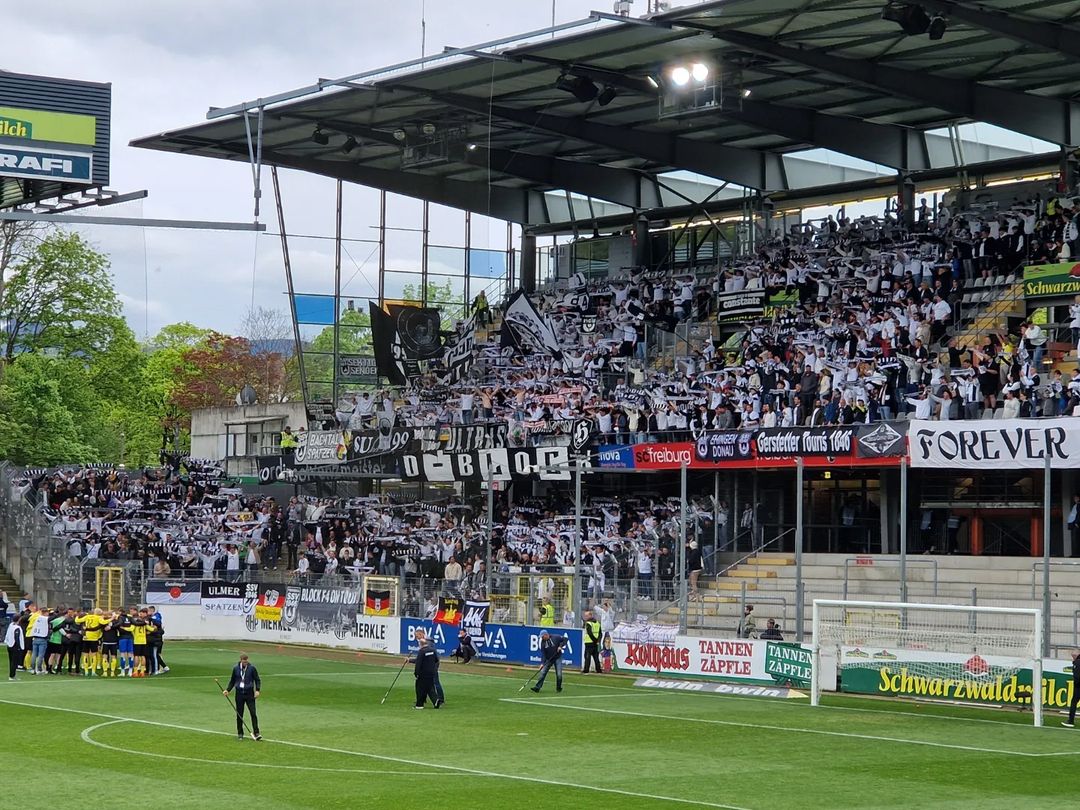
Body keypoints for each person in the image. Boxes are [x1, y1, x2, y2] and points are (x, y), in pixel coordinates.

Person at [224, 653, 262, 740]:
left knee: (253, 713)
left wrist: (257, 690)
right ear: (241, 660)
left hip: (249, 694)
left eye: (246, 661)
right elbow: (232, 681)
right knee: (239, 714)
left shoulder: (252, 668)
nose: (245, 663)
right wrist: (227, 690)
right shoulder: (236, 669)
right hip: (239, 694)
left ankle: (256, 732)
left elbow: (257, 679)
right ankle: (240, 733)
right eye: (244, 662)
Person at [409, 630, 442, 709]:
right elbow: (436, 659)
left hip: (424, 672)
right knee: (430, 687)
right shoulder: (432, 650)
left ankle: (419, 704)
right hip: (431, 671)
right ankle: (436, 700)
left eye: (417, 636)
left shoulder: (422, 651)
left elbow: (419, 663)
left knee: (420, 687)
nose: (417, 638)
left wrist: (416, 673)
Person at [5, 612, 25, 680]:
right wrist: (19, 647)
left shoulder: (11, 625)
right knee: (14, 661)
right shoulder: (17, 628)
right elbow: (17, 638)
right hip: (14, 646)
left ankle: (12, 674)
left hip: (9, 645)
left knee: (11, 661)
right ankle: (12, 675)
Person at [1063, 650, 1080, 728]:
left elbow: (1077, 677)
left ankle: (1070, 721)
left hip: (1078, 687)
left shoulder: (1077, 663)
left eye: (1073, 656)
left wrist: (1076, 685)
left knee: (1074, 702)